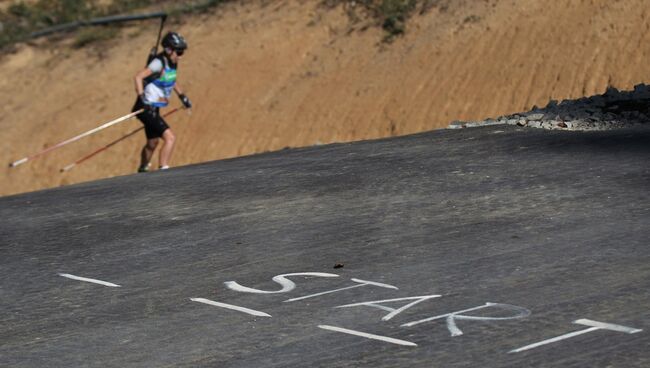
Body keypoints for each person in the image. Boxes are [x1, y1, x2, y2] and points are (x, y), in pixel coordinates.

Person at [132, 31, 192, 172]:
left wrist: (182, 96)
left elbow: (172, 79)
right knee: (170, 138)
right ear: (168, 50)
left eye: (182, 52)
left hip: (154, 108)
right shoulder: (158, 63)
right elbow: (138, 77)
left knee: (153, 142)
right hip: (146, 108)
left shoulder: (172, 62)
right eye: (179, 52)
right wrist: (142, 98)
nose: (180, 56)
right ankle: (163, 170)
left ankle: (142, 168)